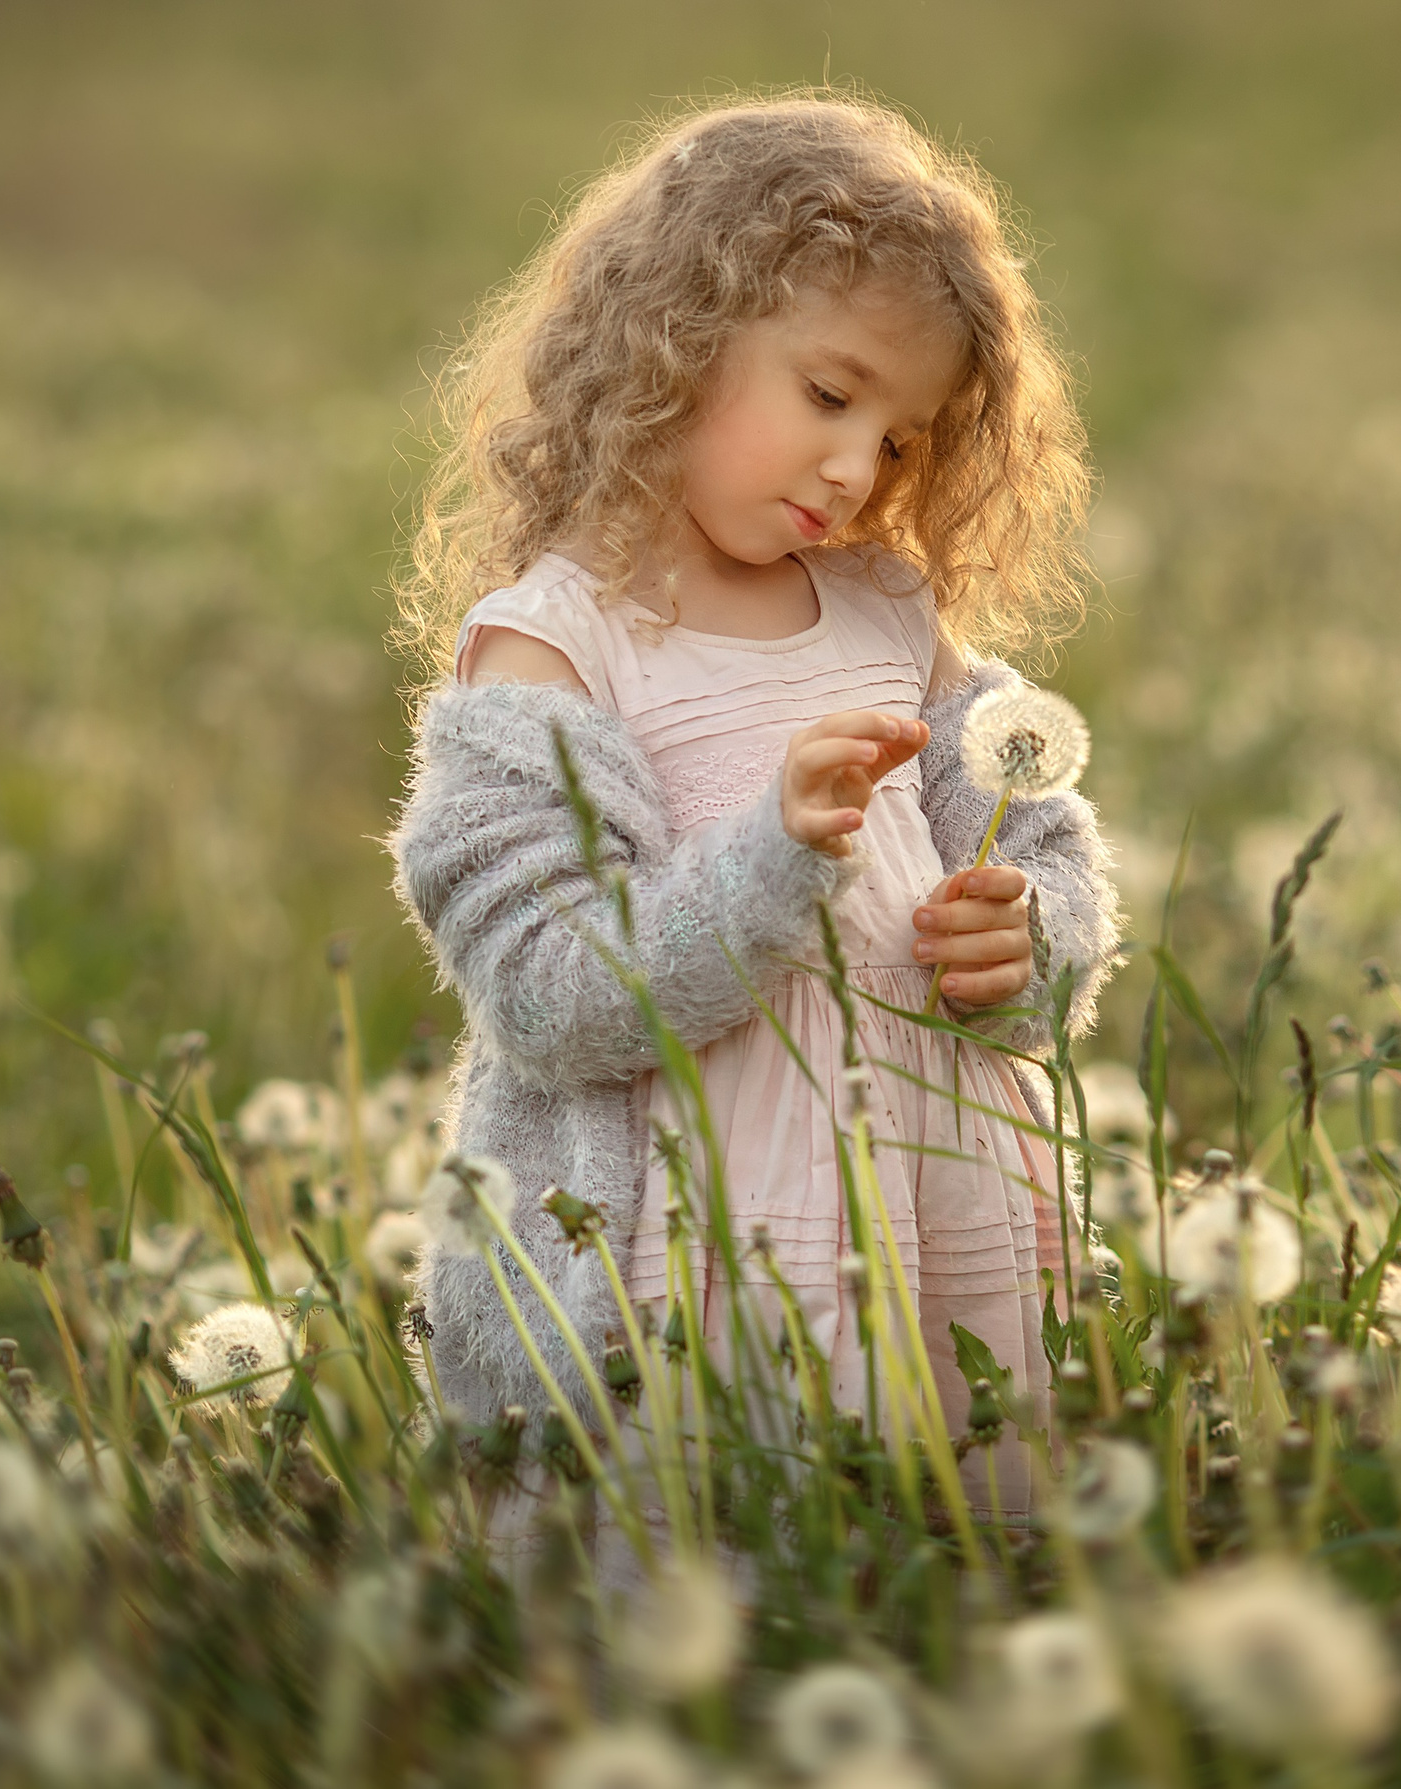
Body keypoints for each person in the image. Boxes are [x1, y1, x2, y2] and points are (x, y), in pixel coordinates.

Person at [385, 93, 1119, 1558]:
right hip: (688, 1243)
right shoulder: (553, 653)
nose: (859, 471)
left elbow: (1032, 837)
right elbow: (547, 988)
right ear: (677, 333)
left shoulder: (892, 614)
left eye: (905, 441)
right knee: (700, 1566)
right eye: (829, 396)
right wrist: (771, 856)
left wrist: (1024, 938)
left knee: (936, 1556)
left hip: (924, 1199)